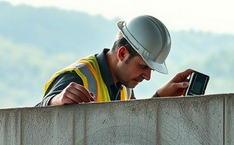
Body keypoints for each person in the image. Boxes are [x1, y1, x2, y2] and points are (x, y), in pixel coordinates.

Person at [36, 15, 192, 106]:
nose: (147, 76)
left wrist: (159, 98)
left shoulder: (126, 87)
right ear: (122, 53)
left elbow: (129, 125)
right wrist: (55, 100)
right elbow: (33, 118)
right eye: (143, 66)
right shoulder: (78, 77)